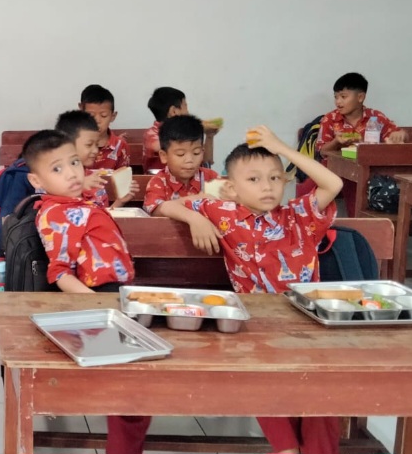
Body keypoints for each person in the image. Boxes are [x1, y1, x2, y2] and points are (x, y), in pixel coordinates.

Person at [159, 126, 344, 454]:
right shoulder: (224, 214)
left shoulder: (299, 217)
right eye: (254, 179)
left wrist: (281, 148)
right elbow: (163, 206)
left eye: (275, 178)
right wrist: (195, 219)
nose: (267, 186)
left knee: (321, 386)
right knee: (259, 373)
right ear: (231, 188)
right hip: (257, 325)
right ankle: (286, 448)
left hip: (308, 323)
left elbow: (334, 184)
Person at [21, 130, 151, 454]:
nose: (72, 173)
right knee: (130, 392)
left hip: (117, 295)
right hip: (100, 297)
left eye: (74, 163)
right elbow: (60, 273)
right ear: (36, 180)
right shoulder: (55, 213)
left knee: (134, 390)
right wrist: (102, 308)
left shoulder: (77, 201)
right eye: (57, 168)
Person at [54, 110, 137, 208]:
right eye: (89, 145)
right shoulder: (52, 179)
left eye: (97, 145)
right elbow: (48, 212)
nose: (95, 150)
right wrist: (79, 186)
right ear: (66, 145)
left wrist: (120, 201)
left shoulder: (94, 179)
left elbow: (101, 214)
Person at [143, 115, 221, 215]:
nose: (189, 160)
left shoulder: (211, 178)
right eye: (180, 154)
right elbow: (156, 210)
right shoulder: (159, 182)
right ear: (164, 156)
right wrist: (196, 200)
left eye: (196, 153)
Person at [315, 72, 407, 157]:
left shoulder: (376, 117)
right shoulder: (330, 119)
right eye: (336, 97)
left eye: (343, 97)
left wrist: (400, 135)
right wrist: (336, 142)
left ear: (360, 97)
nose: (338, 102)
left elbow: (401, 135)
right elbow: (321, 151)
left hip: (369, 166)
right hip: (335, 168)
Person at [143, 87, 219, 173]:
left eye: (196, 152)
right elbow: (160, 146)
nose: (188, 112)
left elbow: (207, 161)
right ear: (174, 111)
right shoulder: (151, 133)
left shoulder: (188, 132)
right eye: (185, 106)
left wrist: (209, 136)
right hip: (159, 179)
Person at [78, 84, 129, 170]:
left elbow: (123, 175)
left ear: (113, 116)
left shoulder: (120, 146)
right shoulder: (73, 143)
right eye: (91, 115)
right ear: (81, 111)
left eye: (103, 115)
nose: (97, 121)